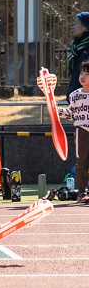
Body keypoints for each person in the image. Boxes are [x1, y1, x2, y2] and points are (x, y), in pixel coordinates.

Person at [58, 59, 89, 203]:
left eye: (87, 74)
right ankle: (82, 193)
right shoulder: (75, 95)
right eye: (81, 73)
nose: (83, 76)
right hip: (82, 131)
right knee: (81, 162)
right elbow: (70, 113)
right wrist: (56, 111)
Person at [67, 12, 89, 99]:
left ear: (85, 27)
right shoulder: (76, 48)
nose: (73, 27)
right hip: (76, 98)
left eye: (76, 23)